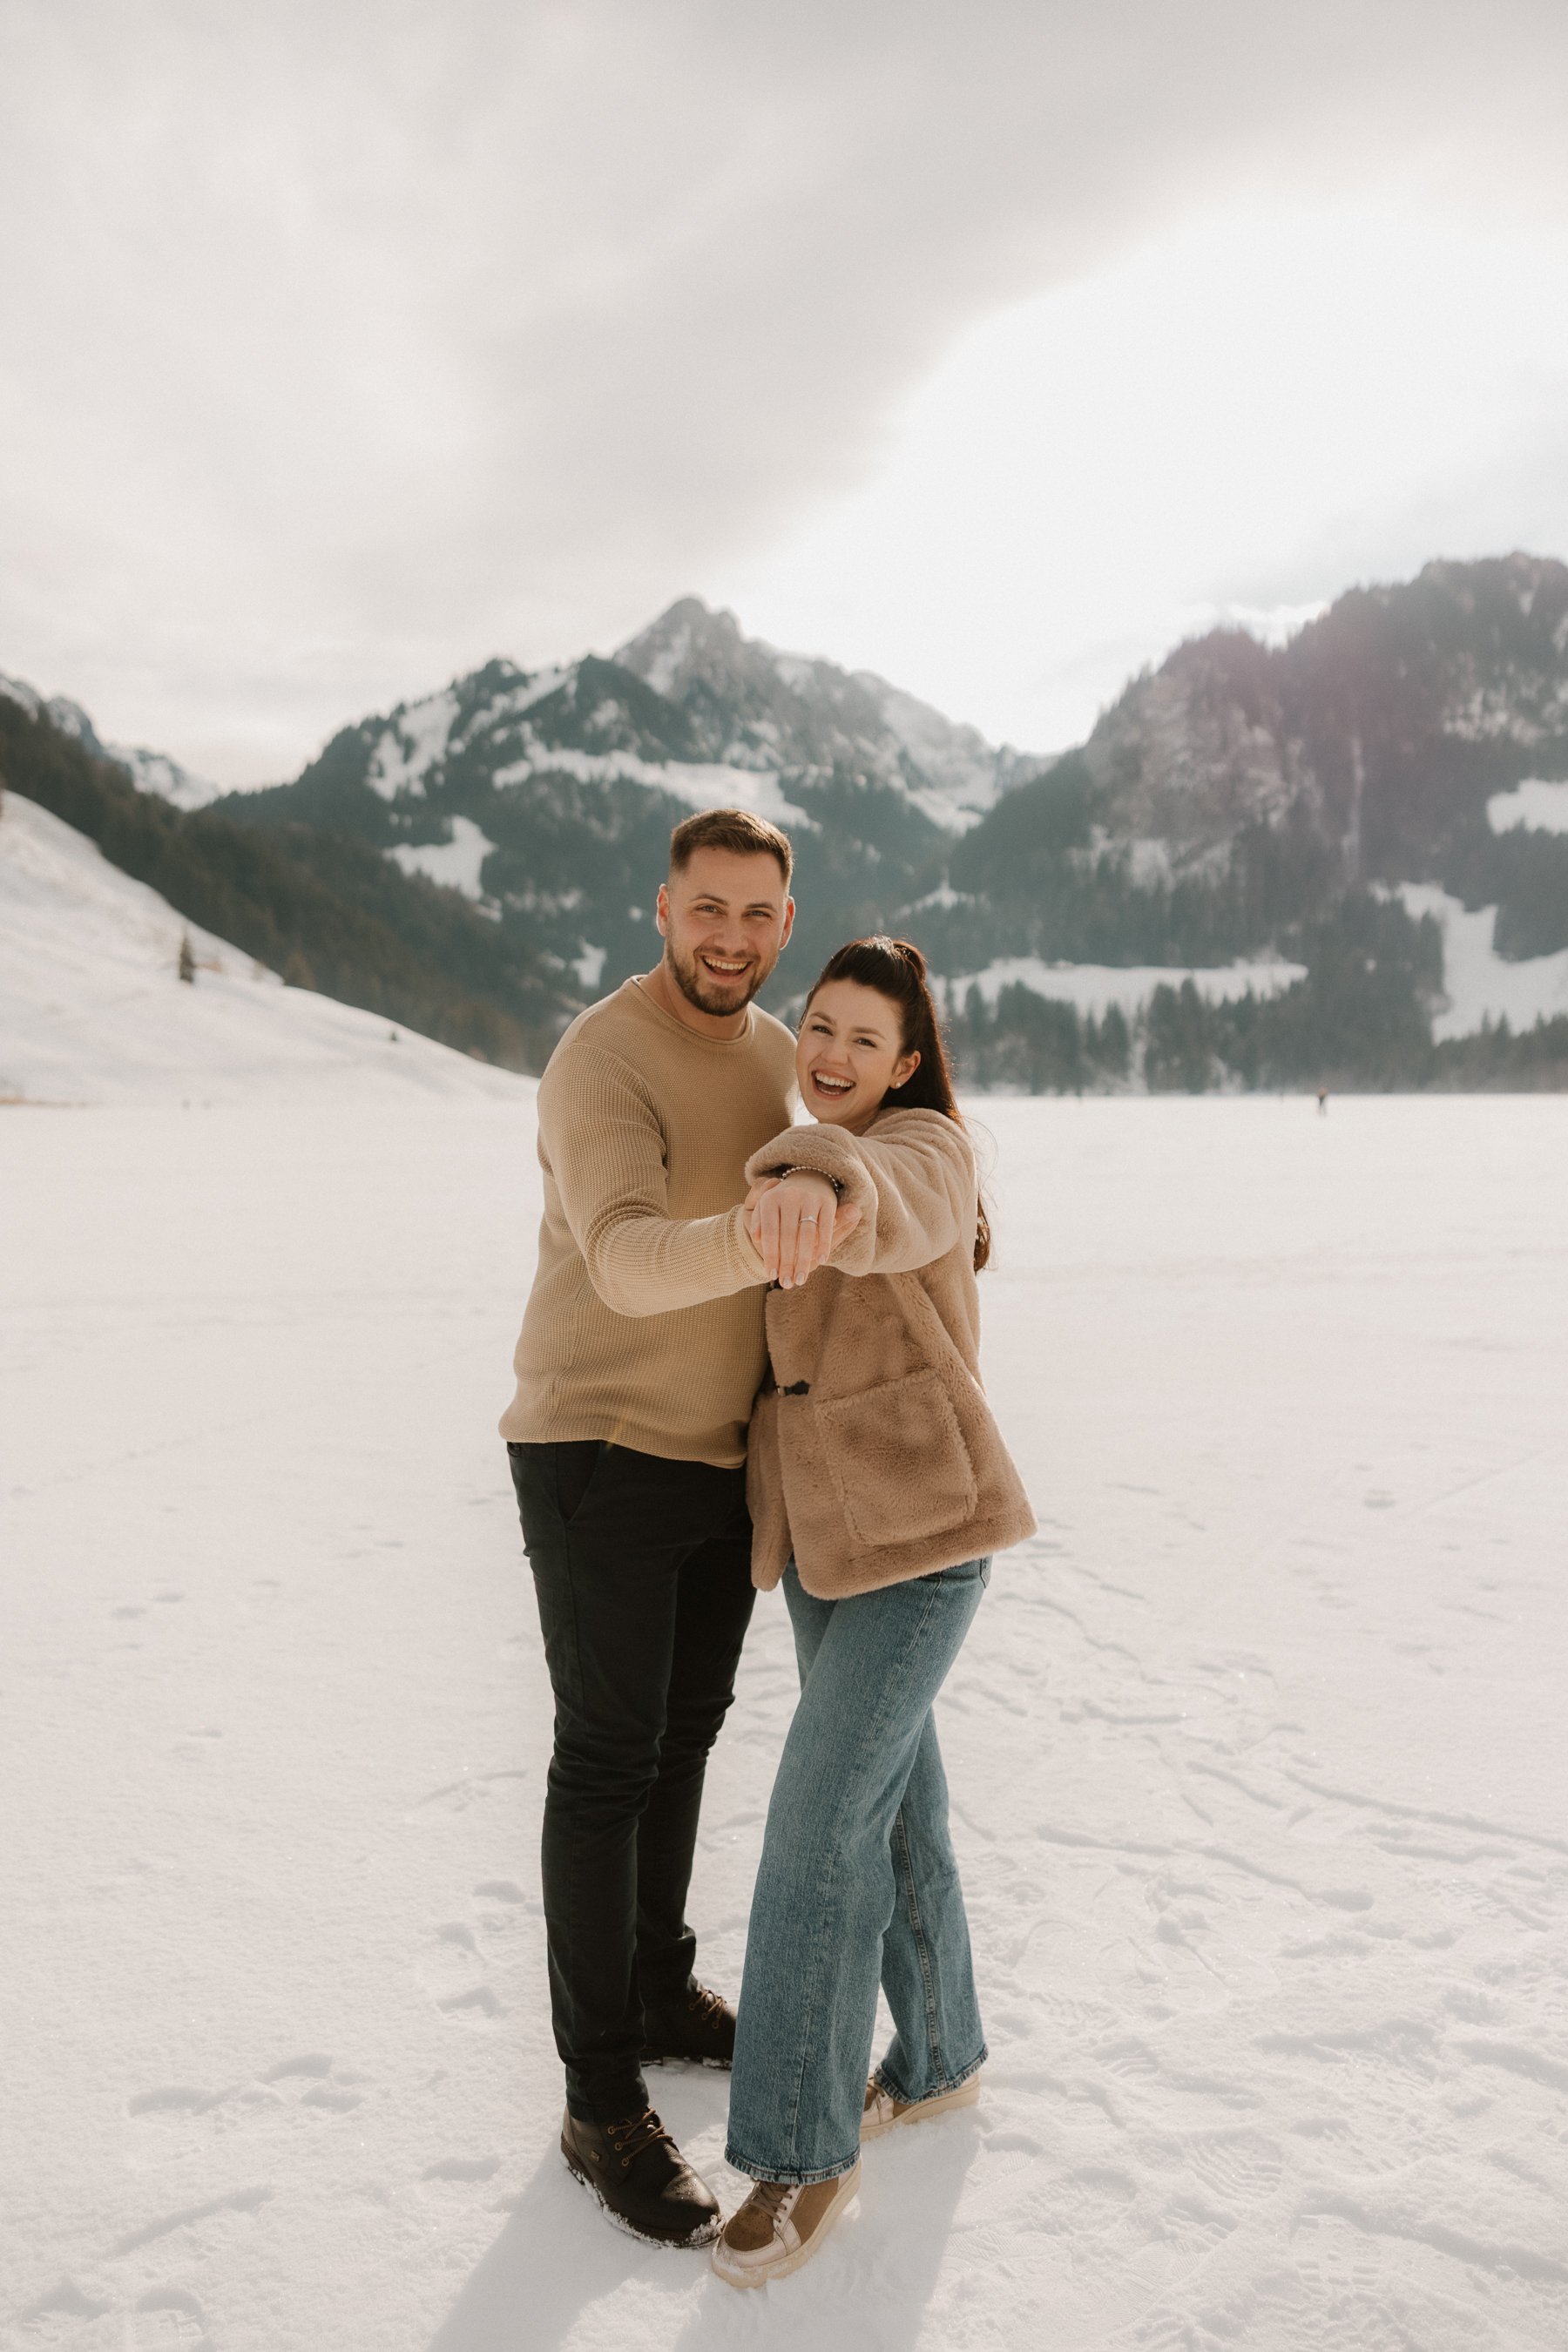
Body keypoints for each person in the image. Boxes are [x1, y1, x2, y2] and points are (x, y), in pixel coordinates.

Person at [499, 808, 859, 2249]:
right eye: (706, 909)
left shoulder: (780, 1061)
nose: (731, 938)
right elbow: (631, 1257)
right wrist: (763, 1233)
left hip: (719, 1455)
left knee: (686, 1734)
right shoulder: (603, 1059)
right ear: (662, 910)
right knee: (606, 1759)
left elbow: (839, 1175)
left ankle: (656, 1983)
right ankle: (598, 2100)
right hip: (594, 1442)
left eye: (757, 915)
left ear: (785, 920)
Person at [709, 936, 1037, 2289]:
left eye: (863, 1039)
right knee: (895, 1811)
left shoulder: (921, 1151)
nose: (832, 1054)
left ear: (907, 1064)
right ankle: (942, 2054)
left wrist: (811, 1175)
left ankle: (802, 2152)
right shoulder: (816, 1143)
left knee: (816, 1826)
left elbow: (889, 1194)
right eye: (819, 1027)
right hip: (832, 1552)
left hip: (925, 1547)